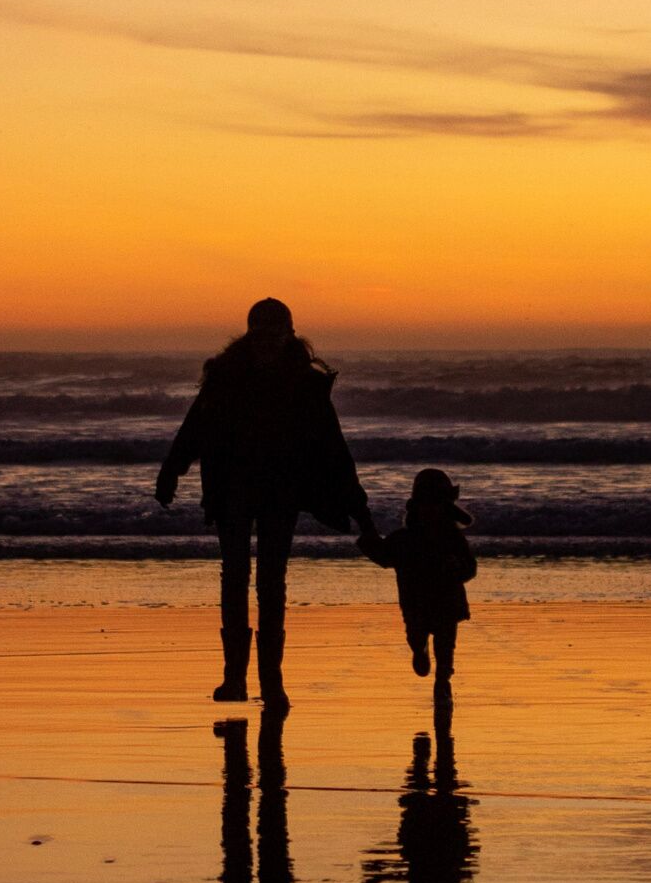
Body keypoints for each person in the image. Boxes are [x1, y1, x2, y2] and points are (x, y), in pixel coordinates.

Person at [156, 298, 367, 709]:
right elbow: (194, 429)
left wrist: (358, 503)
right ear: (251, 336)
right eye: (262, 335)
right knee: (235, 576)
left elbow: (333, 447)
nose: (268, 342)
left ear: (288, 335)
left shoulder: (306, 383)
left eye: (275, 334)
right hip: (231, 489)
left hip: (280, 491)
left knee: (271, 581)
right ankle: (234, 677)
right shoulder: (224, 378)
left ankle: (272, 681)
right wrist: (171, 472)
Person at [357, 466, 477, 686]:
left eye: (436, 504)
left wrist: (457, 568)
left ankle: (443, 682)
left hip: (447, 603)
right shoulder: (404, 539)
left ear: (446, 507)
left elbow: (470, 567)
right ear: (416, 507)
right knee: (415, 636)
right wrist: (367, 536)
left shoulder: (453, 539)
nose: (430, 510)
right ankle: (420, 650)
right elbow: (384, 557)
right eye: (425, 504)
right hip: (415, 604)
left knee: (445, 647)